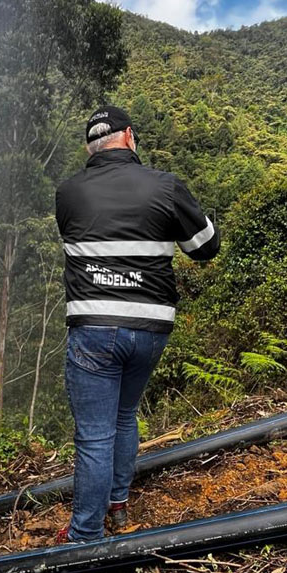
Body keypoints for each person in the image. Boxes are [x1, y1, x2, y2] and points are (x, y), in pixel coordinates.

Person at [55, 105, 219, 543]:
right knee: (125, 415)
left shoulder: (68, 192)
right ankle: (118, 505)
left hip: (94, 327)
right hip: (150, 327)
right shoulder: (165, 185)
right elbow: (205, 247)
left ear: (90, 148)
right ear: (129, 136)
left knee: (95, 435)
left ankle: (85, 536)